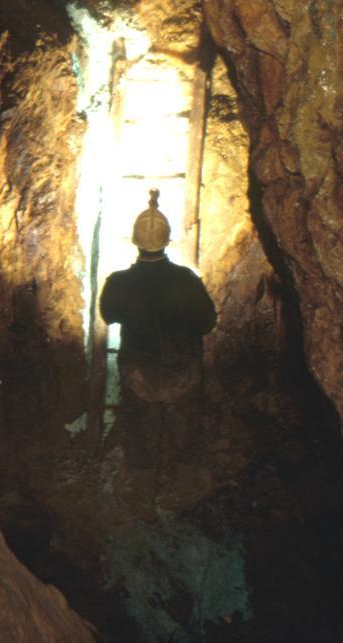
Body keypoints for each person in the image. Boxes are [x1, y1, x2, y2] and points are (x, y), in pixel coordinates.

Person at [98, 190, 217, 475]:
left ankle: (142, 493)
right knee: (187, 434)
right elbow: (207, 323)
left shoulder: (119, 282)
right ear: (168, 240)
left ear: (135, 241)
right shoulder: (186, 281)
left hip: (139, 374)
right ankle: (184, 485)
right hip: (182, 373)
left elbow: (108, 315)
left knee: (139, 436)